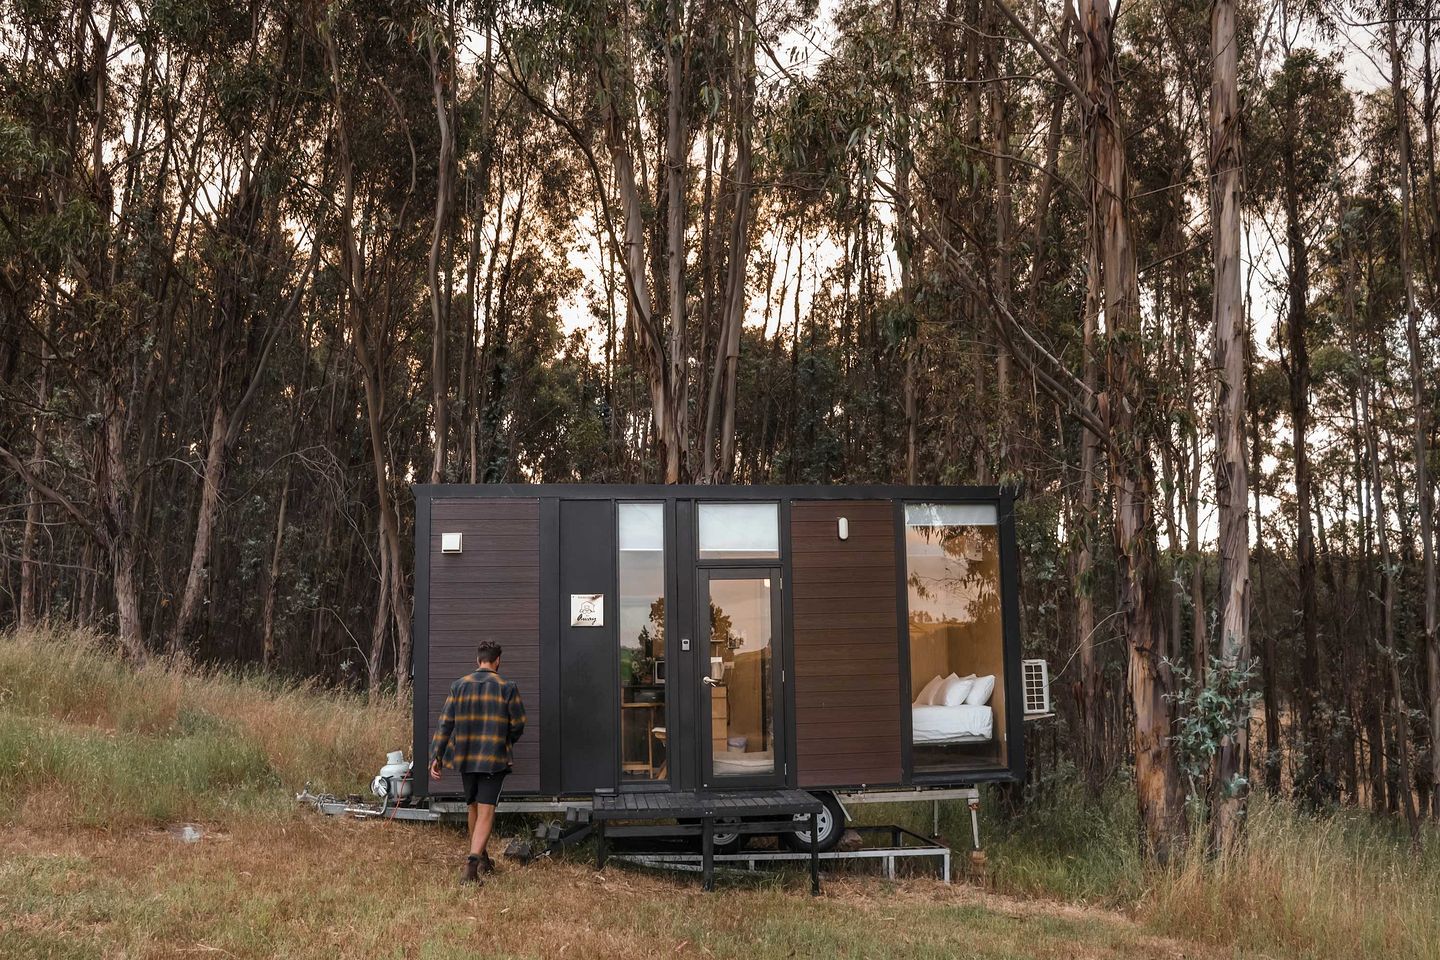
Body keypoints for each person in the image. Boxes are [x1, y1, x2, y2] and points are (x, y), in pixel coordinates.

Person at [429, 641, 526, 883]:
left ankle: (482, 858)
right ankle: (472, 865)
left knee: (472, 806)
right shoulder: (507, 687)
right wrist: (505, 740)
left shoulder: (458, 686)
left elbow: (445, 724)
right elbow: (518, 724)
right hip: (493, 758)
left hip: (465, 756)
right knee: (486, 810)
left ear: (477, 660)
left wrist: (437, 756)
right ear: (498, 661)